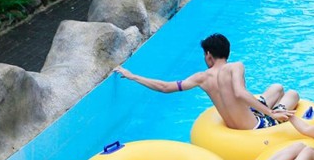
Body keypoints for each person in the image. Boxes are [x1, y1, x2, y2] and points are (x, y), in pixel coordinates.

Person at [114, 33, 299, 131]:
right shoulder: (235, 66)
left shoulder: (201, 78)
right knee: (291, 94)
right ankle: (275, 109)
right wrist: (271, 113)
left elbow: (165, 87)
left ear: (208, 55)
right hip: (255, 127)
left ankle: (267, 107)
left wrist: (133, 76)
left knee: (277, 88)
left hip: (237, 122)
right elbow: (240, 93)